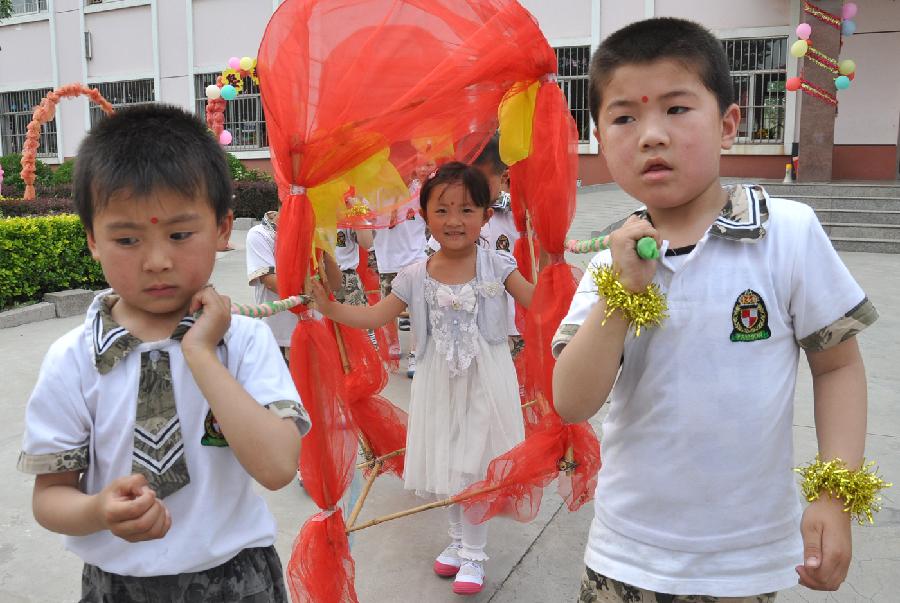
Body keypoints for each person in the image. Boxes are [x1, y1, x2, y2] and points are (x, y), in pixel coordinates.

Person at [551, 18, 879, 602]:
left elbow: (838, 367)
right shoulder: (611, 264)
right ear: (600, 138)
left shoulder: (786, 234)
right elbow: (573, 401)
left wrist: (835, 494)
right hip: (626, 557)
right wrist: (624, 293)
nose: (650, 135)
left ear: (729, 124)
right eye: (624, 117)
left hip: (743, 565)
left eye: (676, 109)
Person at [17, 104, 310, 602]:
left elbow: (279, 467)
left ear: (222, 229)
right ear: (91, 240)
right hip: (118, 584)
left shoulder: (242, 340)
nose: (157, 261)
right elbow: (50, 497)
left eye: (179, 234)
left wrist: (201, 353)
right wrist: (97, 511)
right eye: (127, 239)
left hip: (236, 579)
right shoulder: (74, 358)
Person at [311, 162, 534, 595]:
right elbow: (377, 315)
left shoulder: (498, 264)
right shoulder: (415, 275)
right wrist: (332, 308)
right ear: (424, 216)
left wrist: (561, 273)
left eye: (467, 210)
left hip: (486, 382)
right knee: (449, 466)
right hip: (437, 383)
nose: (455, 221)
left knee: (475, 467)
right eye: (443, 210)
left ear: (487, 216)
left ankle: (474, 555)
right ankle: (456, 545)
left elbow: (539, 301)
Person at [373, 154, 432, 377]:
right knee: (387, 308)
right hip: (388, 258)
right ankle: (392, 346)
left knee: (418, 308)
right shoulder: (378, 190)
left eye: (406, 165)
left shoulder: (421, 190)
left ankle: (416, 354)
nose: (402, 170)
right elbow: (363, 215)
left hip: (415, 258)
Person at [246, 210, 298, 359]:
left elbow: (334, 283)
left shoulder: (314, 230)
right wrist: (309, 293)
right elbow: (269, 280)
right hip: (278, 334)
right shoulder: (260, 234)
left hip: (313, 329)